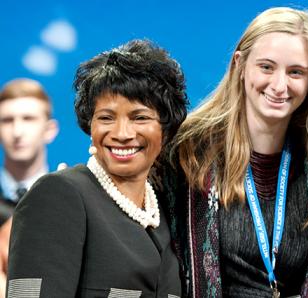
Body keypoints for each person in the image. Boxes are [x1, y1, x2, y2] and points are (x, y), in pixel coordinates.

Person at [169, 7, 308, 297]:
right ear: (240, 65)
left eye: (295, 72)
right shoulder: (189, 152)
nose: (279, 86)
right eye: (266, 67)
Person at [7, 39, 187, 297]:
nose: (122, 133)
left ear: (166, 130)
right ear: (89, 125)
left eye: (140, 117)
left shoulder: (163, 211)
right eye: (106, 118)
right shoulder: (58, 195)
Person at [0, 78, 59, 222]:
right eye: (7, 120)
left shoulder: (67, 198)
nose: (17, 132)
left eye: (28, 119)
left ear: (50, 130)